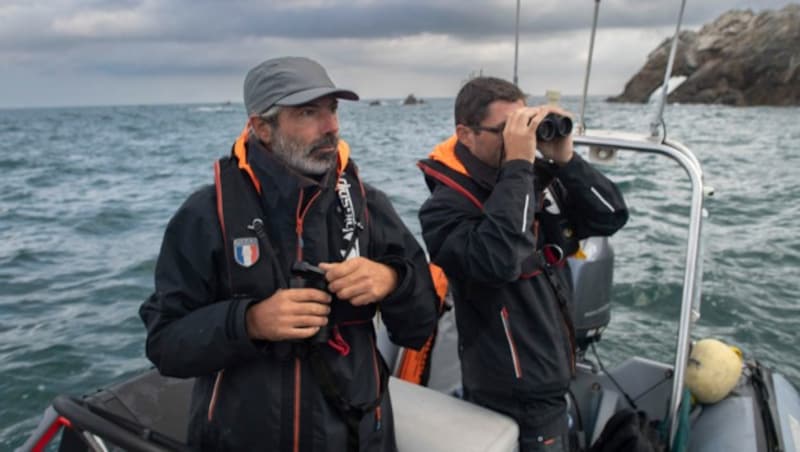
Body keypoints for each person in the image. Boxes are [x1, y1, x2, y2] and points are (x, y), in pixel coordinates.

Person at [140, 56, 438, 452]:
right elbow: (164, 343)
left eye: (331, 109)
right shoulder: (207, 214)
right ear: (262, 127)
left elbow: (419, 327)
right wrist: (249, 322)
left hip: (359, 435)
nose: (331, 126)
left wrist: (392, 281)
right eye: (308, 112)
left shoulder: (367, 204)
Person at [417, 76, 629, 451]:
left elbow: (610, 216)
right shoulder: (445, 209)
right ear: (465, 135)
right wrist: (518, 165)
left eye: (524, 126)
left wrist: (566, 159)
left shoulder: (538, 181)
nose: (522, 141)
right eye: (507, 130)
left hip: (553, 373)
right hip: (510, 389)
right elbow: (499, 259)